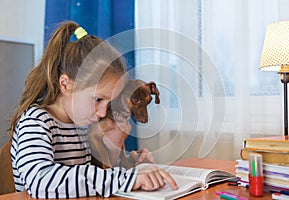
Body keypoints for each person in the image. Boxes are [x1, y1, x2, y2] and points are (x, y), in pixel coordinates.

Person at [8, 21, 178, 199]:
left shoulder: (79, 124)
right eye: (98, 99)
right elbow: (40, 182)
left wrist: (131, 165)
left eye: (109, 102)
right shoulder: (36, 122)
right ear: (65, 84)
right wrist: (126, 179)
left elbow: (91, 178)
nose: (103, 113)